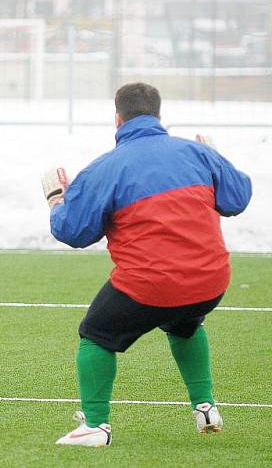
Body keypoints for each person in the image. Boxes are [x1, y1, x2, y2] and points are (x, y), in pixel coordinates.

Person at [42, 82, 252, 447]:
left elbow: (74, 232)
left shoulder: (105, 168)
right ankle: (205, 407)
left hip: (150, 284)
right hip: (210, 281)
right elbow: (238, 197)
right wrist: (217, 158)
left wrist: (56, 200)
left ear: (118, 118)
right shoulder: (196, 153)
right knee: (185, 324)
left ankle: (95, 426)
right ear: (159, 114)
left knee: (96, 334)